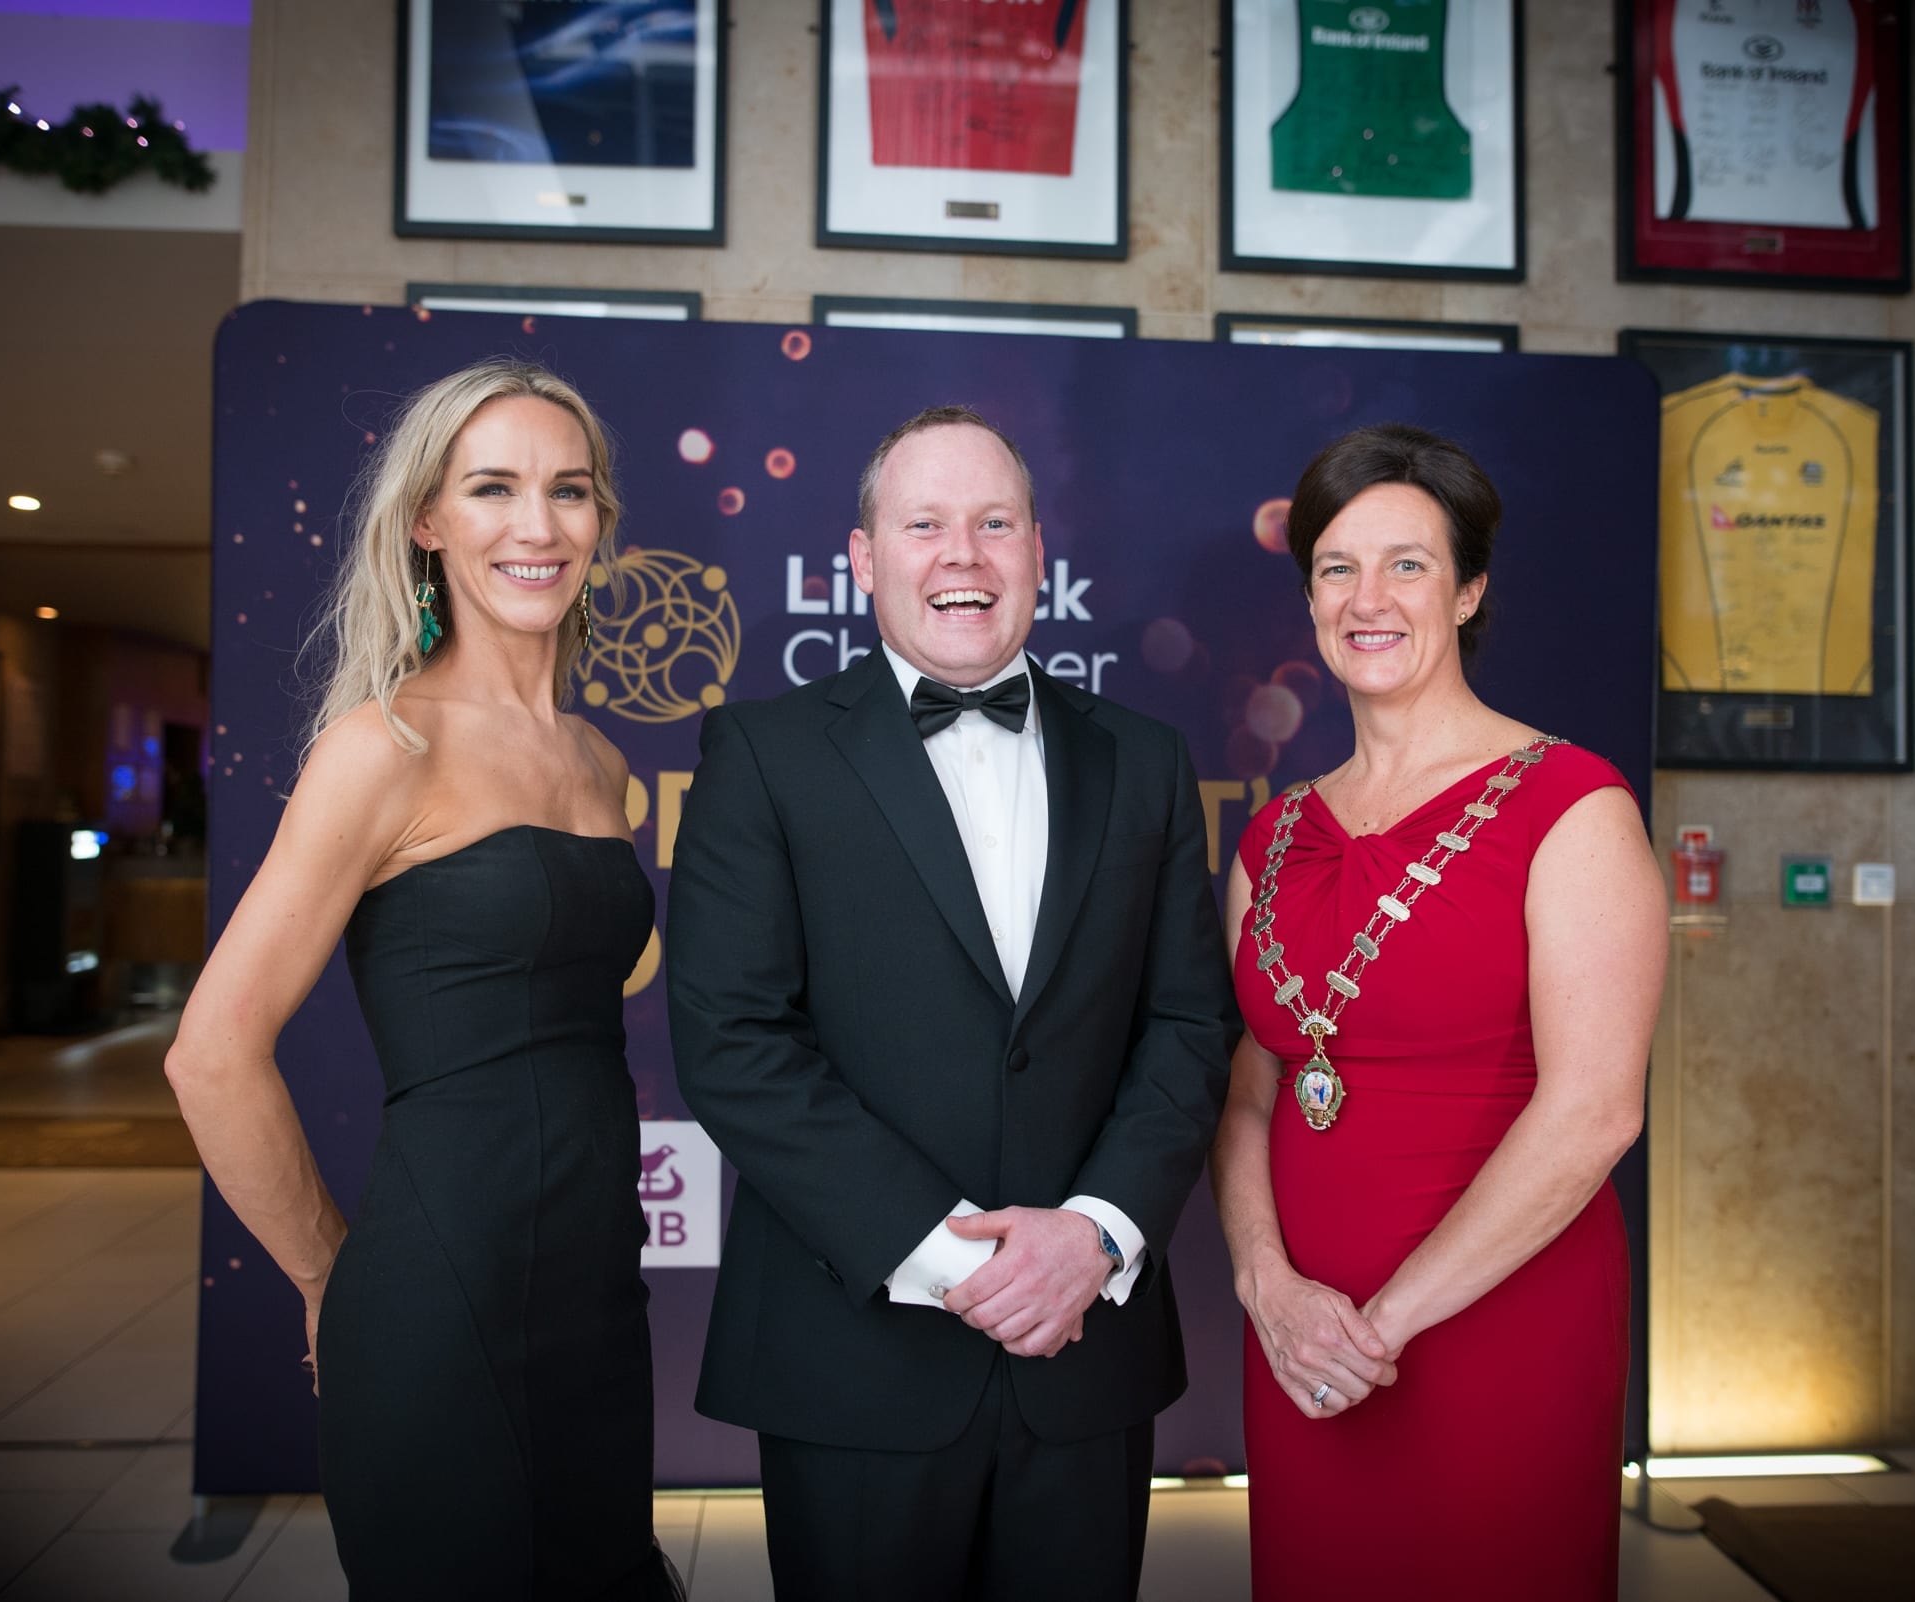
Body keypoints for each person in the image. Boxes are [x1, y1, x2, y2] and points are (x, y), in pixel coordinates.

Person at [665, 405, 1236, 1602]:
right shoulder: (763, 755)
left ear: (1039, 551)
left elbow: (1188, 1026)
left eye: (993, 523)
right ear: (866, 560)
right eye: (923, 524)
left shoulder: (1145, 760)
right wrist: (953, 1261)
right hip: (852, 1354)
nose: (961, 556)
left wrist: (1094, 1236)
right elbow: (733, 1044)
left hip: (1087, 1350)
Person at [165, 358, 679, 1599]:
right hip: (437, 1304)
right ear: (427, 524)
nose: (537, 525)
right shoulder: (379, 747)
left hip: (598, 1300)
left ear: (601, 521)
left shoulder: (600, 759)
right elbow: (211, 1052)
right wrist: (327, 1276)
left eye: (569, 490)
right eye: (493, 488)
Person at [1210, 424, 1667, 1600]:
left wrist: (1384, 1327)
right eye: (1336, 567)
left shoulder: (1573, 807)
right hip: (1305, 1340)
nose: (1369, 598)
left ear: (1468, 592)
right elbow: (1252, 1090)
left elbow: (1596, 1113)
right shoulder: (1274, 837)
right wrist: (1270, 1289)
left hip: (1497, 1325)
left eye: (1408, 564)